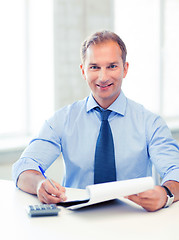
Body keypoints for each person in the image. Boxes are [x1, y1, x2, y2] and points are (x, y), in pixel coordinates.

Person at [12, 30, 179, 212]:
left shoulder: (150, 123)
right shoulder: (62, 120)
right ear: (83, 71)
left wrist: (166, 193)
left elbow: (175, 170)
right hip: (78, 221)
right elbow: (24, 166)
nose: (103, 77)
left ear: (125, 69)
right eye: (94, 67)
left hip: (134, 219)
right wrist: (38, 184)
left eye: (112, 66)